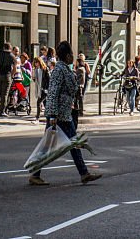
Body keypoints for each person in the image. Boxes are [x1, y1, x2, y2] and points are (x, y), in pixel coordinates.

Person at [28, 41, 101, 186]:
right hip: (59, 115)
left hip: (64, 112)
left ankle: (83, 173)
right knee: (63, 144)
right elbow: (53, 93)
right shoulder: (59, 70)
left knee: (70, 144)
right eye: (71, 54)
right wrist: (53, 116)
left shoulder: (64, 69)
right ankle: (83, 173)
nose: (73, 56)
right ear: (67, 56)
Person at [0, 42, 14, 117]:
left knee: (1, 92)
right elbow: (14, 67)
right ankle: (2, 111)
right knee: (5, 94)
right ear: (10, 48)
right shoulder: (11, 56)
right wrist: (12, 74)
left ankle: (1, 108)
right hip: (7, 75)